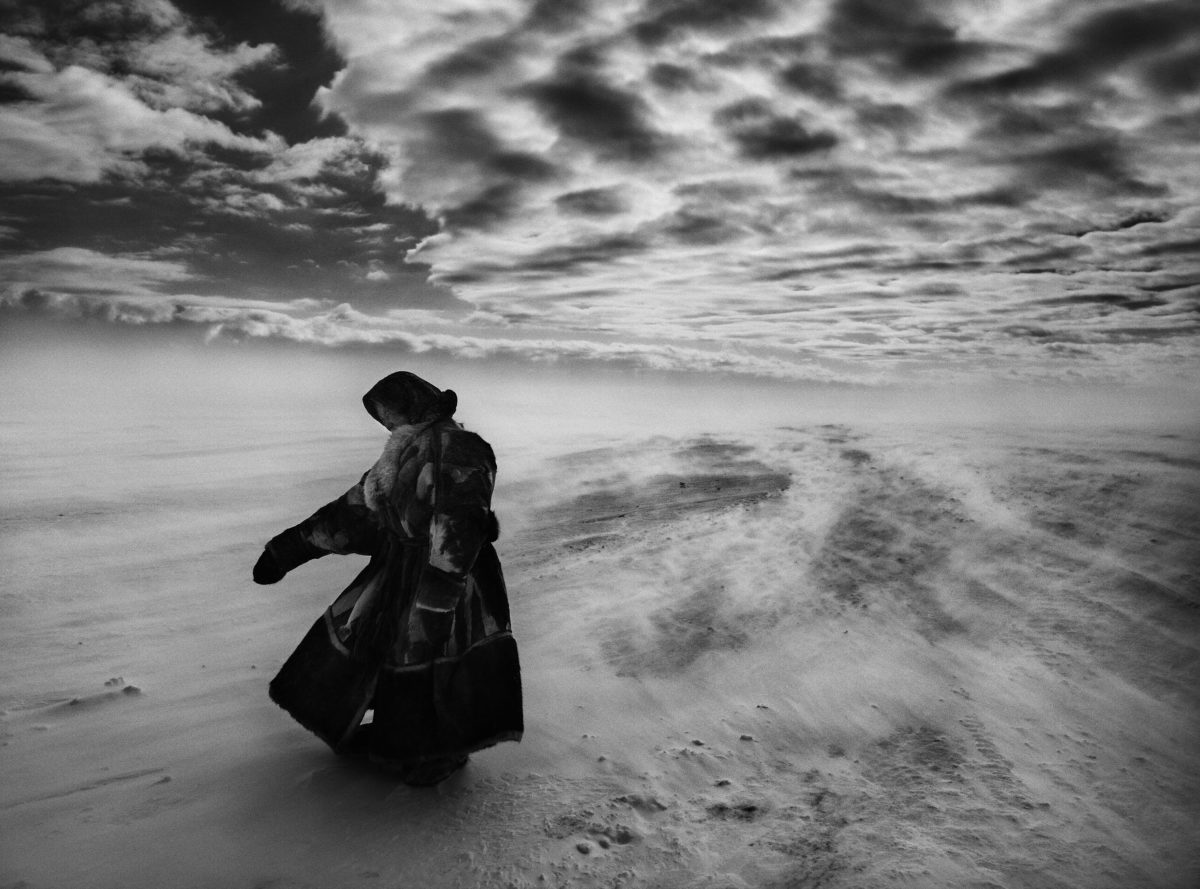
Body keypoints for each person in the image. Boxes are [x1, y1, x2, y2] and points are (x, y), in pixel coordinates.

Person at [252, 371, 521, 785]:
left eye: (388, 413)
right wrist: (287, 550)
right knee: (386, 648)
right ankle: (401, 739)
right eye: (382, 416)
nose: (386, 422)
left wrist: (438, 597)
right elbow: (352, 514)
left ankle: (437, 755)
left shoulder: (460, 450)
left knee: (434, 656)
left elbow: (459, 529)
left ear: (412, 405)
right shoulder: (403, 453)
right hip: (400, 570)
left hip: (451, 578)